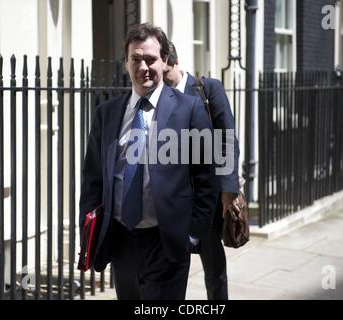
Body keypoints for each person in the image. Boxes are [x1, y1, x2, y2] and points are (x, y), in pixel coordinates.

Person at [79, 23, 218, 300]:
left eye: (151, 59)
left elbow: (206, 178)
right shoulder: (107, 113)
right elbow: (92, 179)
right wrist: (90, 230)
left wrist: (191, 235)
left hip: (166, 243)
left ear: (164, 60)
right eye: (136, 59)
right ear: (126, 63)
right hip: (121, 241)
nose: (144, 67)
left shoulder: (188, 110)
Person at [163, 41, 241, 300]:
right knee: (172, 268)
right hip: (171, 198)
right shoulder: (155, 95)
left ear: (175, 62)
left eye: (165, 73)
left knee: (213, 266)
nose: (161, 80)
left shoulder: (208, 89)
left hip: (204, 197)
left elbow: (227, 138)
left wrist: (229, 190)